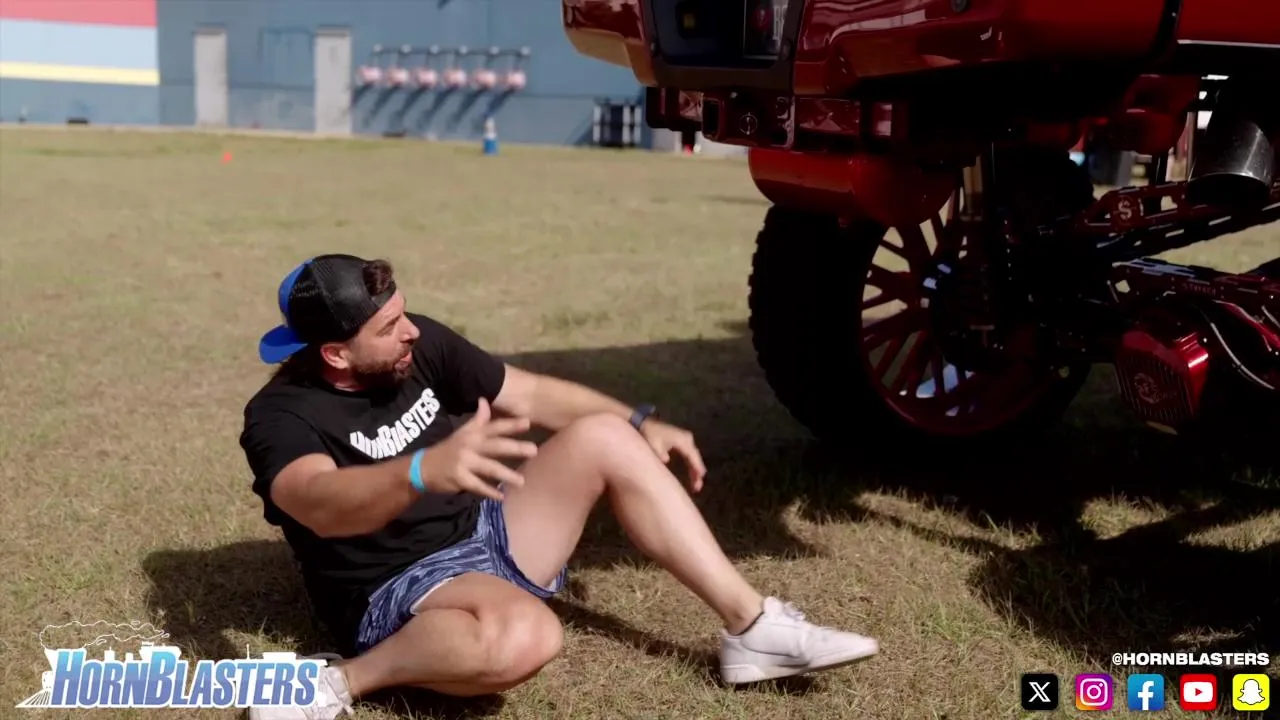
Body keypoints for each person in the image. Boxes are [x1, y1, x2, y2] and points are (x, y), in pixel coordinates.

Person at [239, 254, 879, 719]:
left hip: (484, 532)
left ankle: (753, 628)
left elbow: (533, 394)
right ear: (335, 354)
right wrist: (418, 472)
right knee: (529, 638)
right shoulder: (281, 418)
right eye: (387, 328)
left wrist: (641, 424)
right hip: (394, 587)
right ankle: (340, 682)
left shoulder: (418, 344)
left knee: (605, 435)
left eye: (403, 313)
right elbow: (317, 504)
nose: (410, 331)